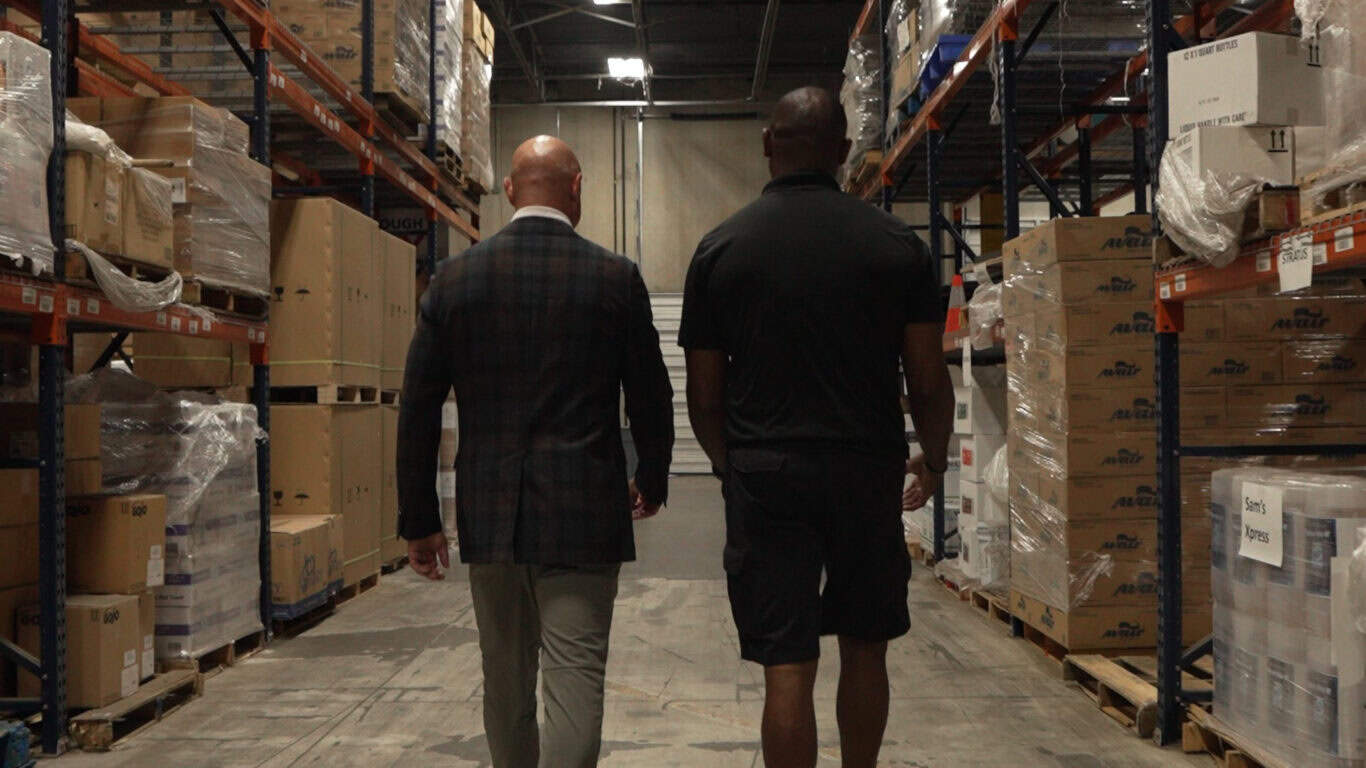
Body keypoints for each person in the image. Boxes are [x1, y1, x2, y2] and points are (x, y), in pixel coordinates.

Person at [679, 87, 954, 768]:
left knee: (787, 663)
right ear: (841, 151)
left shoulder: (721, 249)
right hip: (865, 470)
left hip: (766, 474)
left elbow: (705, 396)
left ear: (768, 146)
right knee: (865, 645)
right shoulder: (897, 246)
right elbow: (926, 378)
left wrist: (728, 466)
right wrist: (935, 459)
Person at [396, 135, 675, 768]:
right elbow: (651, 396)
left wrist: (419, 520)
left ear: (511, 191)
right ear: (577, 190)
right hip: (583, 515)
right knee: (574, 682)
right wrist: (650, 478)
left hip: (491, 516)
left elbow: (416, 408)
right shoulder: (615, 279)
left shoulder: (455, 280)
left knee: (505, 682)